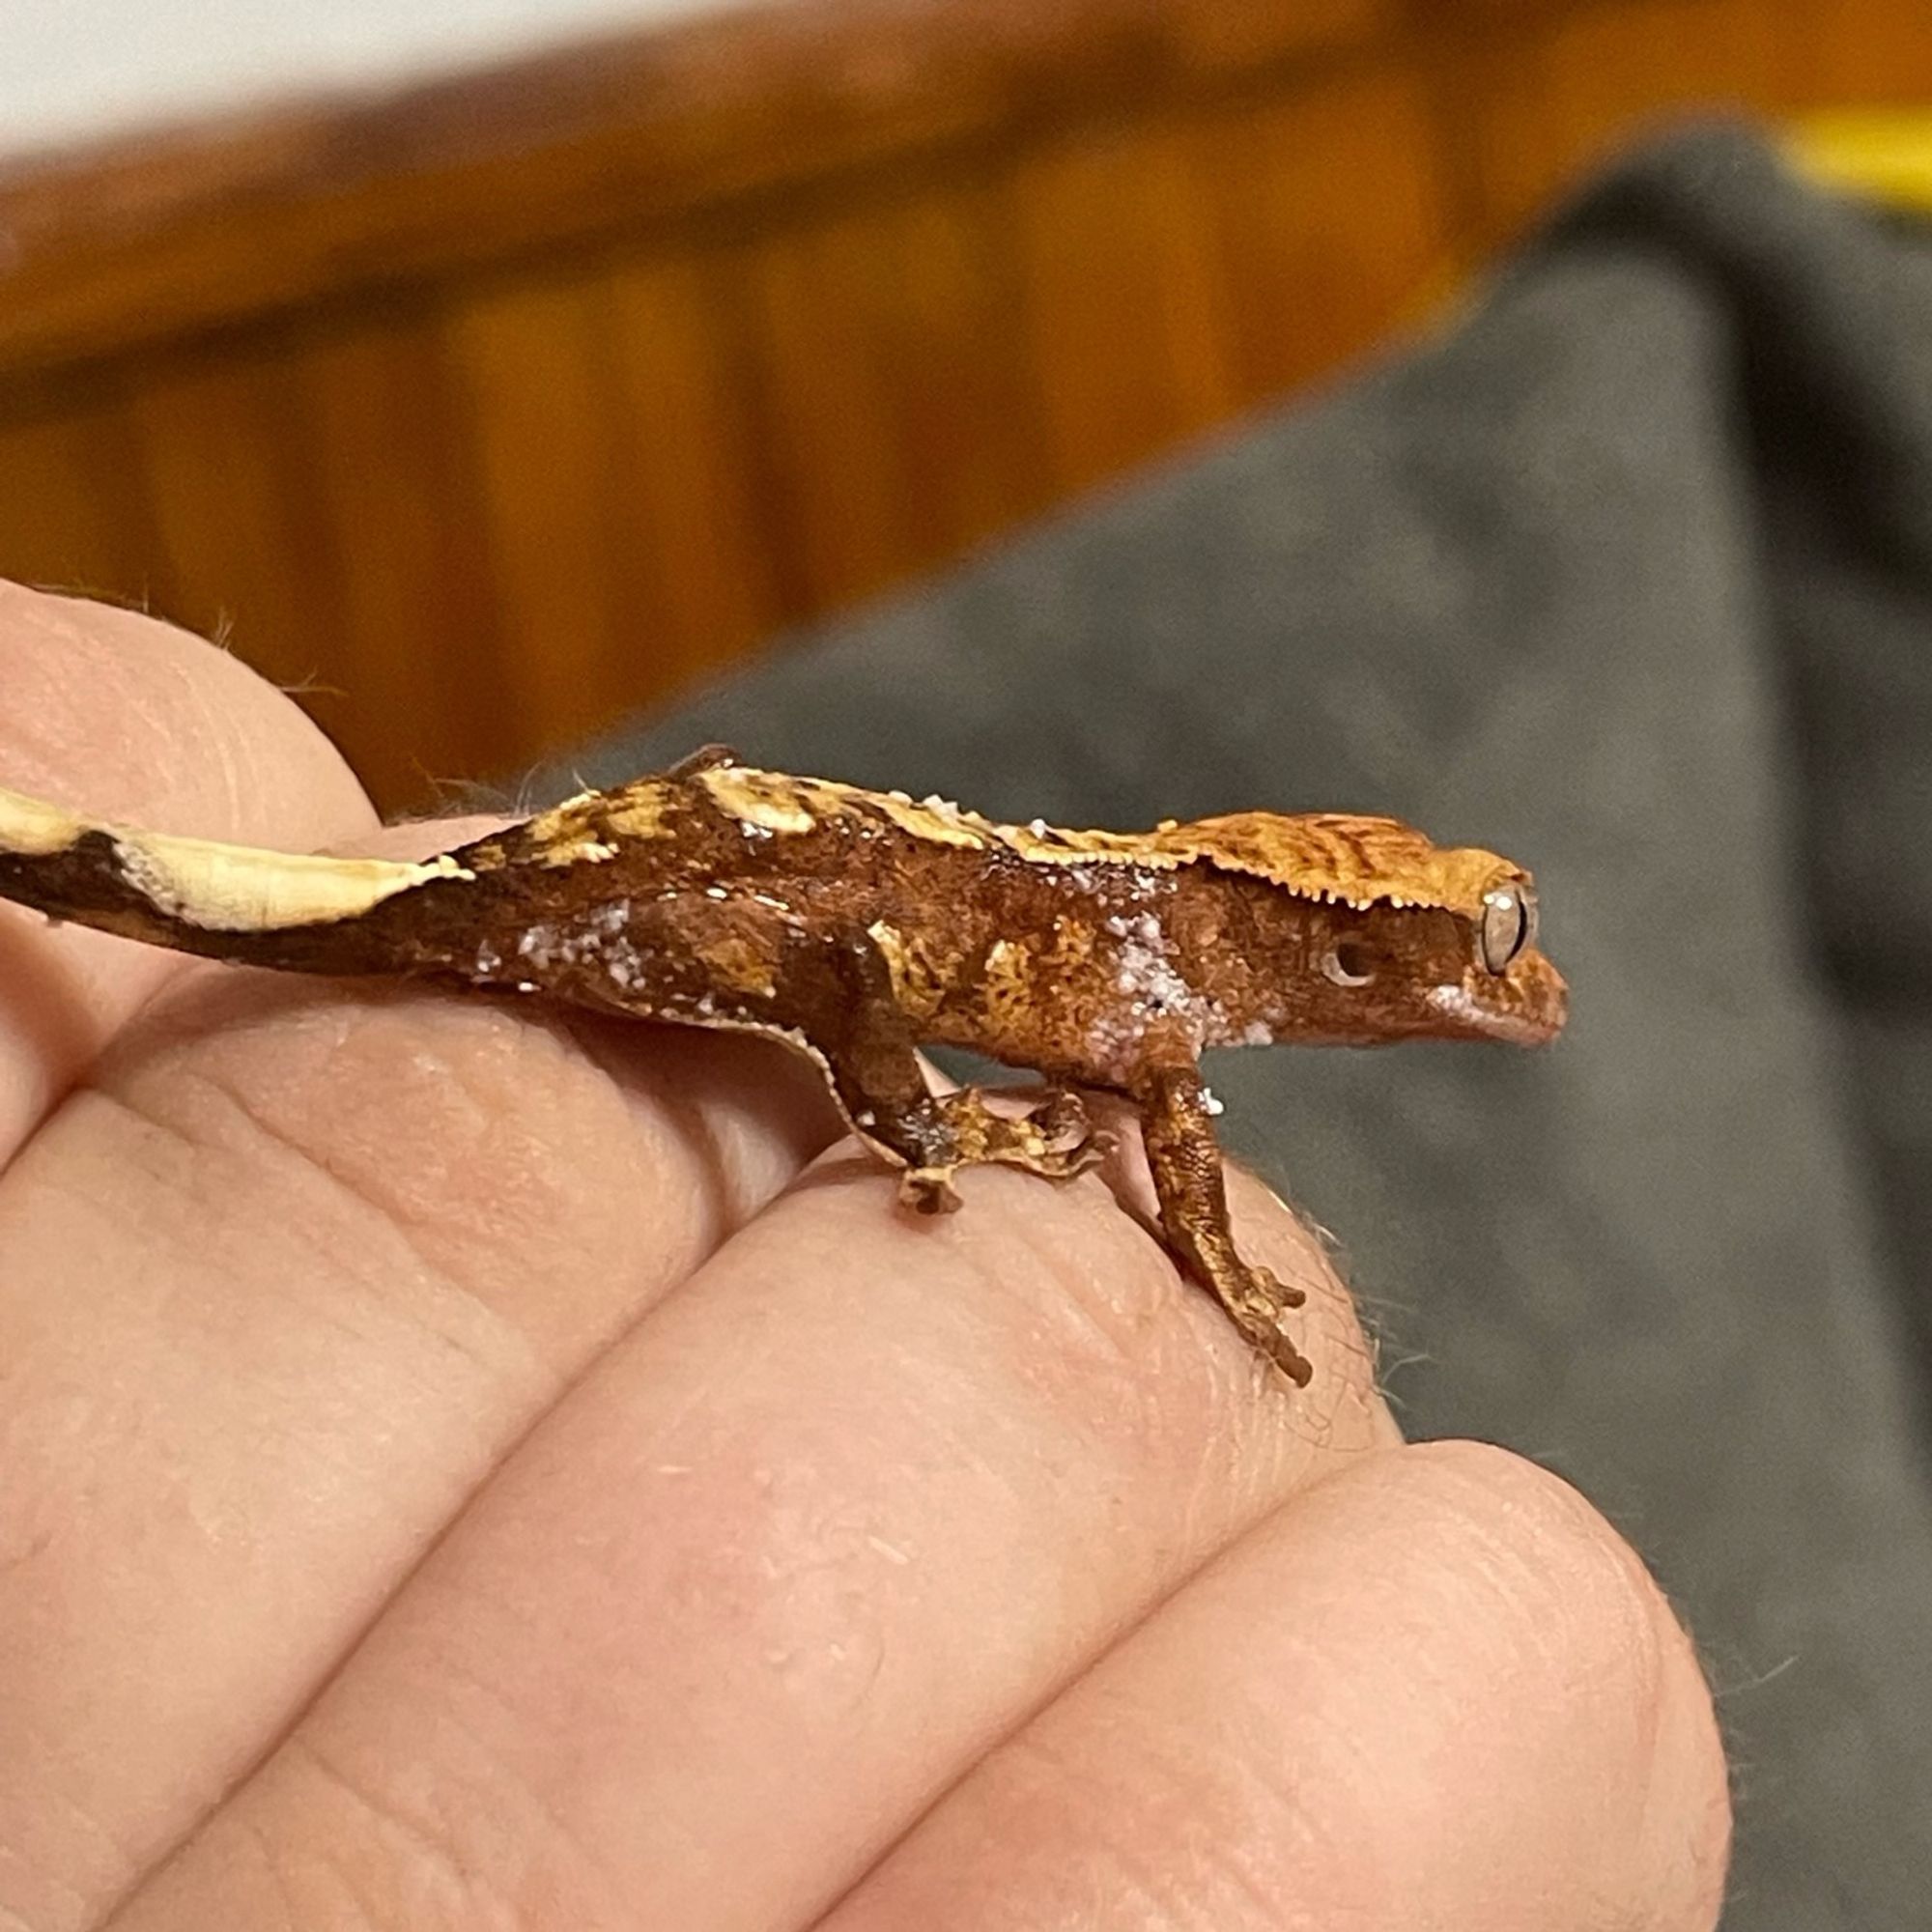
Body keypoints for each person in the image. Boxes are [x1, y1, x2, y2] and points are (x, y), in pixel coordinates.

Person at [0, 582, 1728, 1929]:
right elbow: (908, 1000)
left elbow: (1093, 1103)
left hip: (696, 864)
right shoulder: (1137, 1003)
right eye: (1489, 940)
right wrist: (929, 1131)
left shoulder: (1142, 1008)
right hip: (694, 886)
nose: (1511, 982)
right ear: (1326, 947)